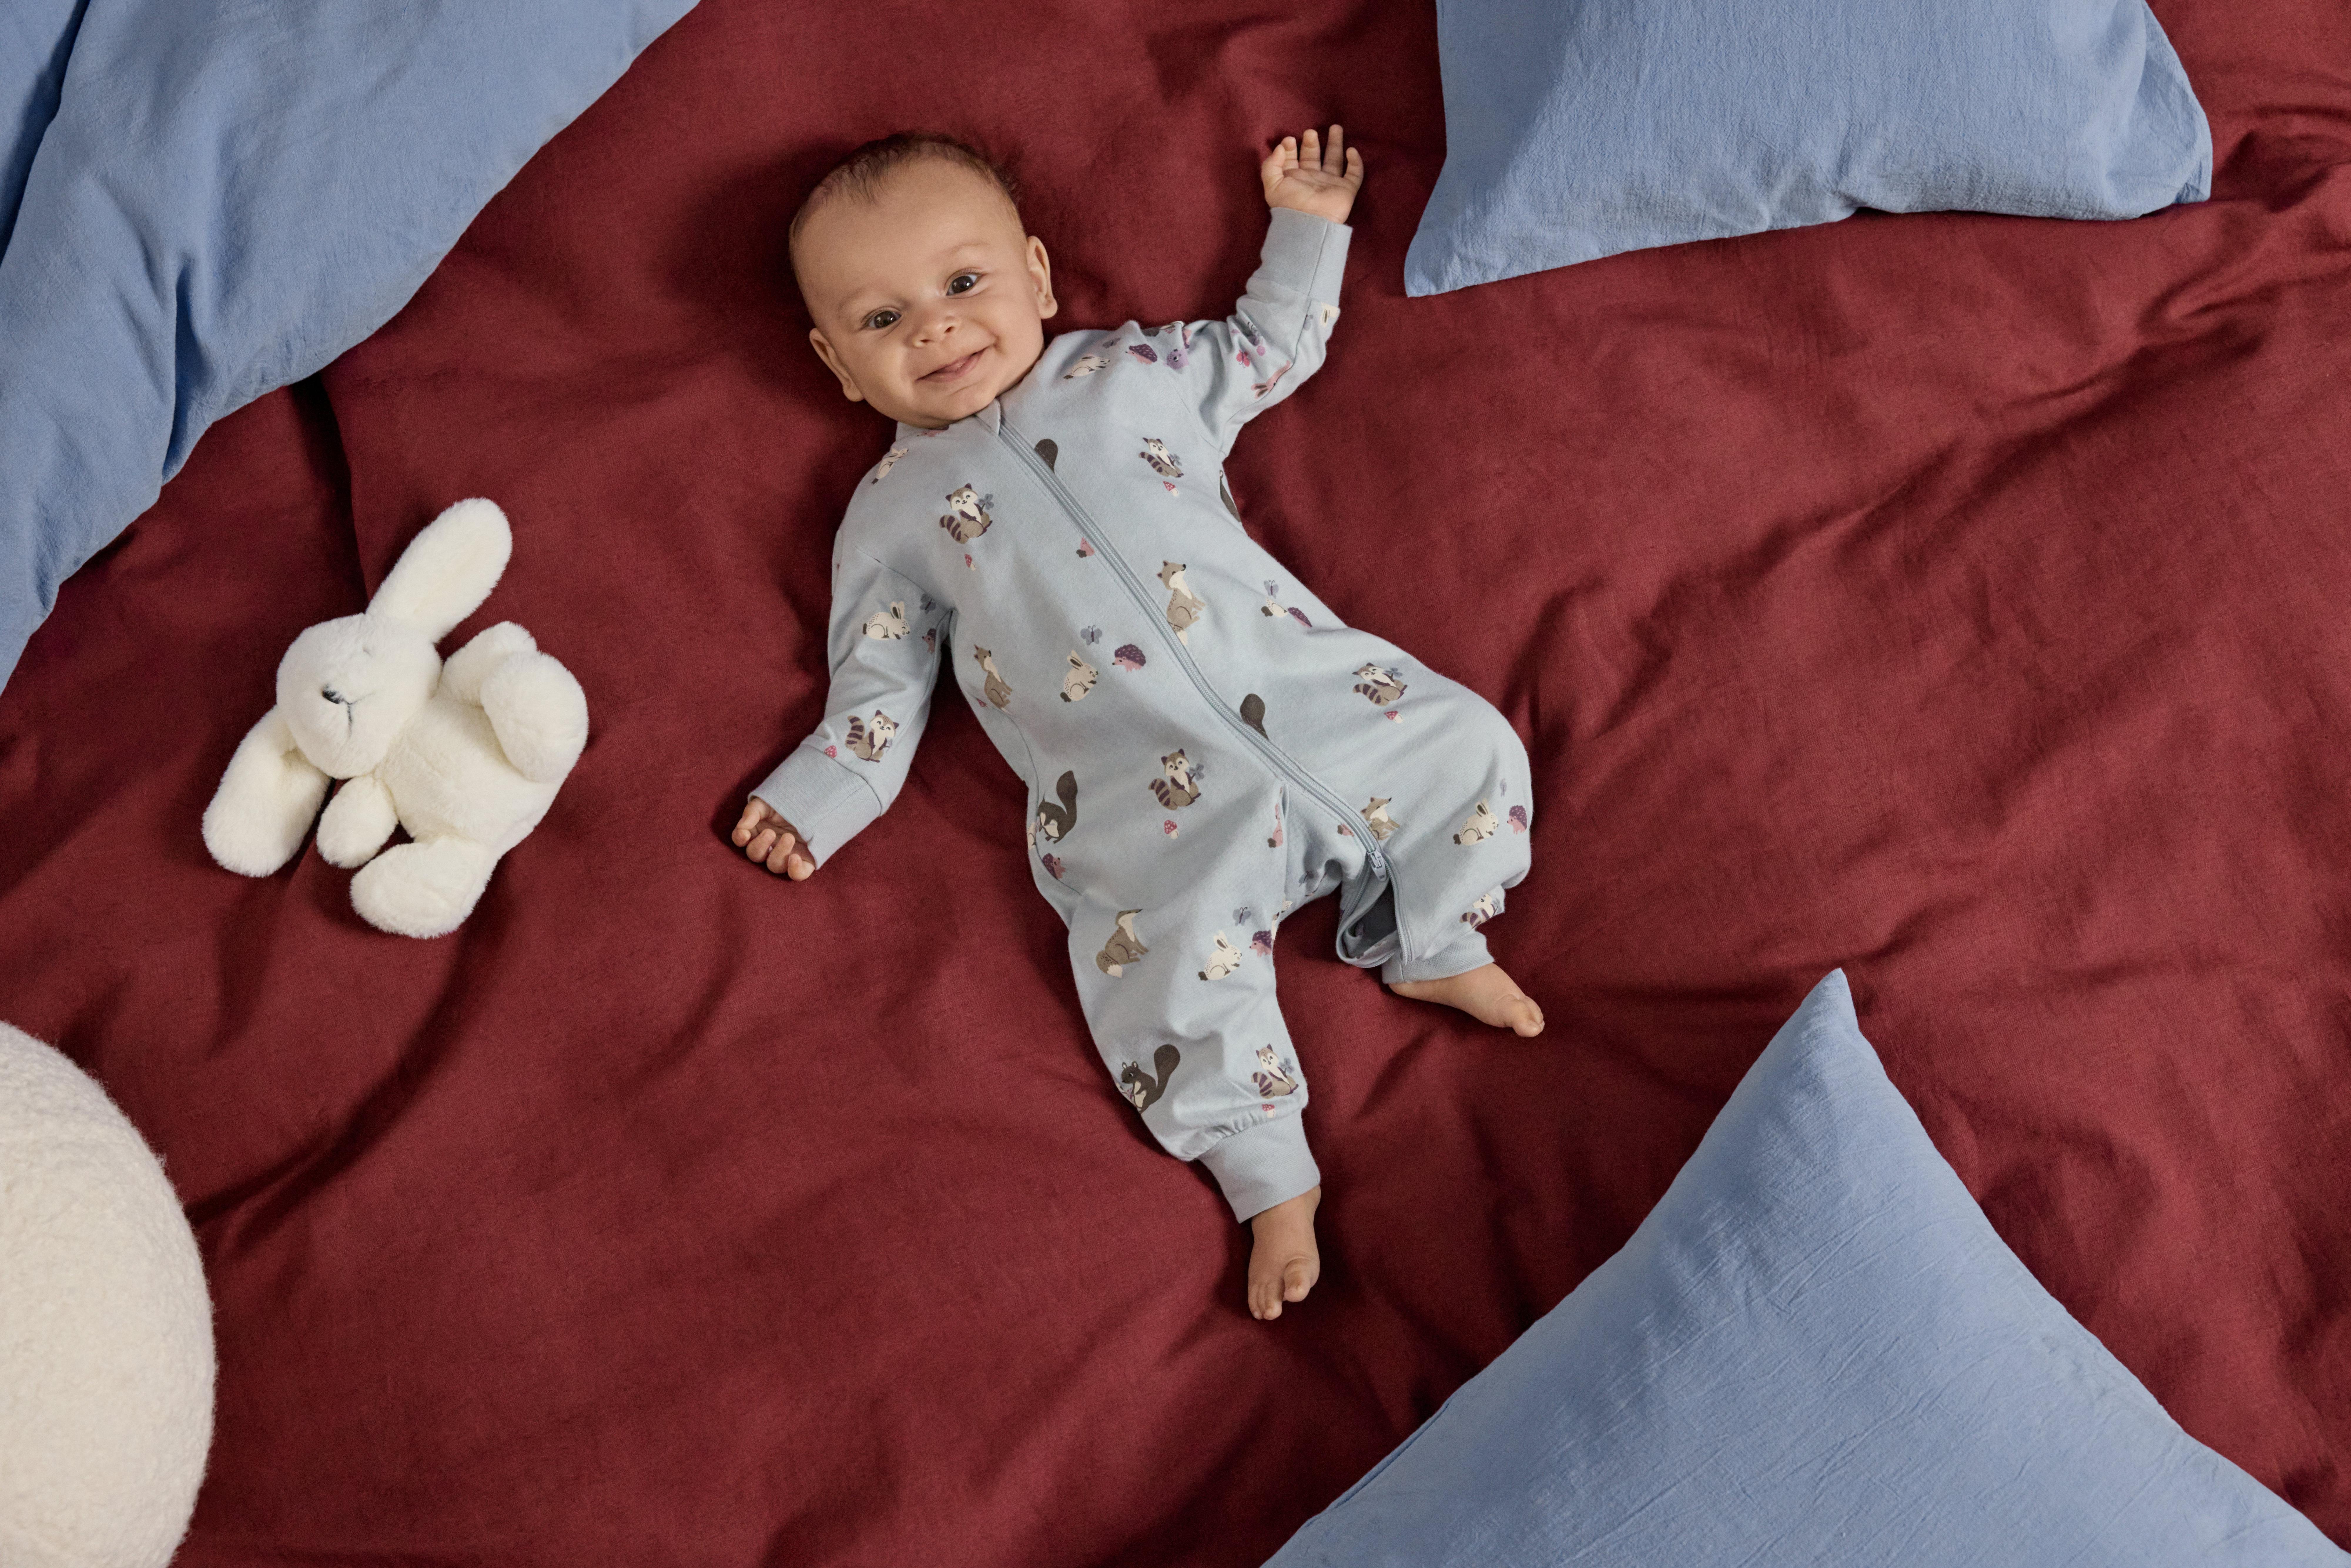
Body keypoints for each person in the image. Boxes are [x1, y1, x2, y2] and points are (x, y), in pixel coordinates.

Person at [735, 125, 1540, 1320]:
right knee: (1157, 974)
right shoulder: (888, 519)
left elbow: (1268, 347)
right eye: (883, 319)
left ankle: (1438, 937)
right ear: (836, 363)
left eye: (964, 283)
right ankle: (1269, 1175)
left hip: (1318, 702)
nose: (935, 330)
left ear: (1038, 277)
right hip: (1144, 805)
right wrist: (816, 798)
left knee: (1468, 743)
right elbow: (877, 687)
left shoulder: (1134, 373)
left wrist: (1307, 227)